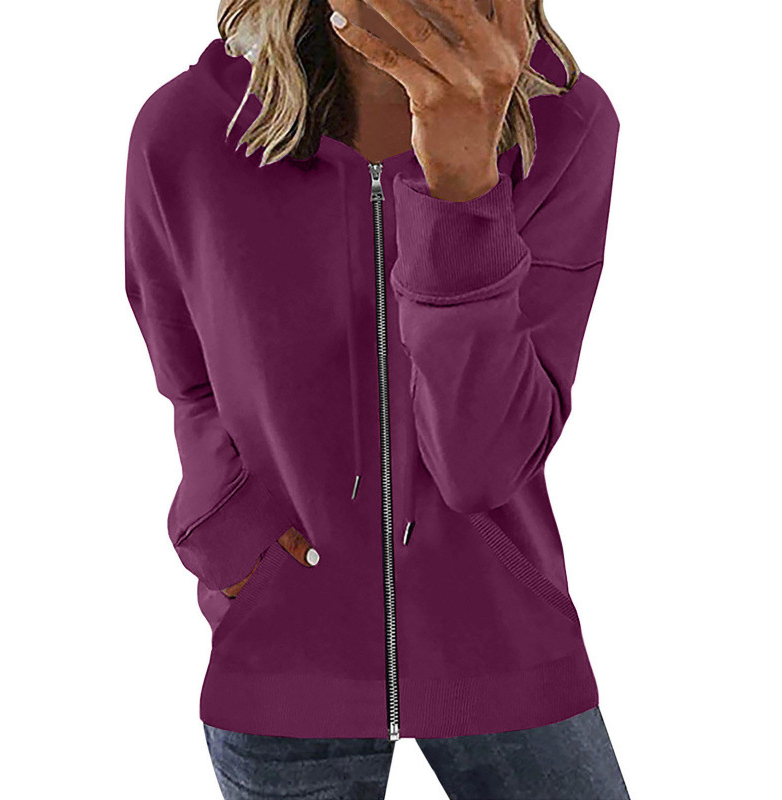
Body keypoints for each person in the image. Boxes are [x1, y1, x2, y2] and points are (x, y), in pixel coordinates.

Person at [124, 0, 629, 797]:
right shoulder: (186, 130)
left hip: (501, 634)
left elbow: (482, 464)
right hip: (285, 644)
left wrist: (462, 192)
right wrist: (231, 536)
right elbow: (188, 379)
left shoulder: (567, 126)